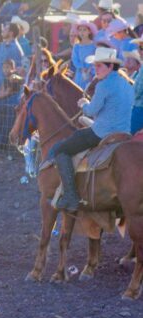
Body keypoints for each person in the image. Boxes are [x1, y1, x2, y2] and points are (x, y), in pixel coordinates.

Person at [50, 47, 134, 212]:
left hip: (102, 133)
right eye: (95, 65)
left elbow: (90, 111)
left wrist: (83, 104)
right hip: (124, 133)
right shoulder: (127, 83)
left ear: (110, 66)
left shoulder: (104, 85)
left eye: (99, 66)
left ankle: (71, 196)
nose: (96, 69)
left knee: (61, 150)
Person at [71, 19, 97, 90]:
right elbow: (75, 60)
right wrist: (82, 67)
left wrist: (90, 69)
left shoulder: (94, 45)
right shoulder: (76, 46)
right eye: (80, 30)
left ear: (89, 31)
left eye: (84, 30)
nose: (82, 32)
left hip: (91, 74)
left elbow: (96, 59)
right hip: (80, 74)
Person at [132, 36, 143, 133]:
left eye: (141, 48)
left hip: (140, 109)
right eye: (139, 47)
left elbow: (137, 92)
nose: (139, 51)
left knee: (119, 130)